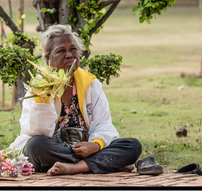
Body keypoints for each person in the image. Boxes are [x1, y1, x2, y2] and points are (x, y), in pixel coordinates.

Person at [10, 24, 142, 175]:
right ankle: (99, 164)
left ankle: (75, 167)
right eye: (61, 51)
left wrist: (96, 145)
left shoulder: (91, 84)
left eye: (73, 49)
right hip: (51, 151)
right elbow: (38, 132)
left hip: (86, 151)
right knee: (36, 145)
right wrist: (44, 96)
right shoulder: (38, 87)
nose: (69, 55)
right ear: (48, 59)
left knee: (133, 145)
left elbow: (104, 124)